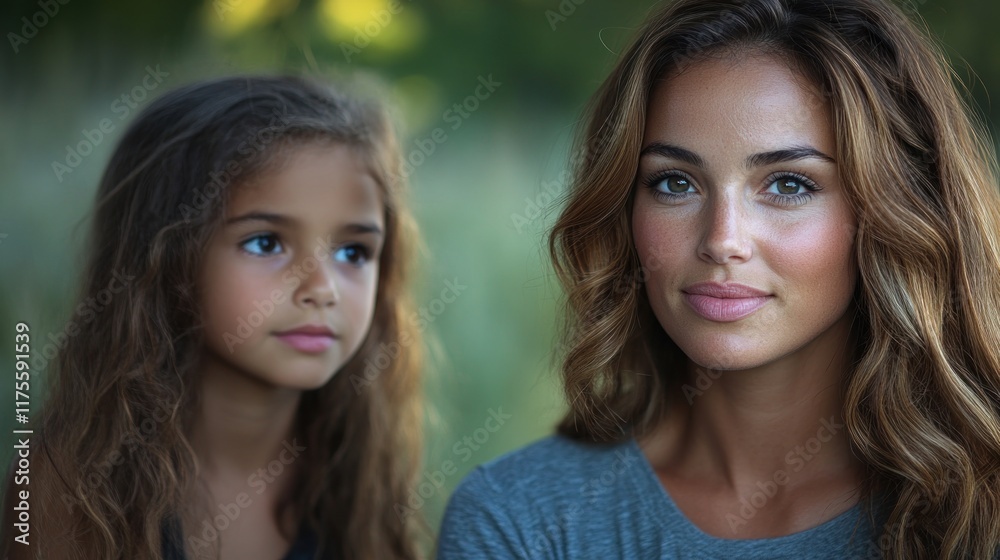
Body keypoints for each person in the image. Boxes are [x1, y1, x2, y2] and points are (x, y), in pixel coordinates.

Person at [437, 0, 1000, 558]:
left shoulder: (981, 507)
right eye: (675, 183)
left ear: (896, 211)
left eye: (788, 185)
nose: (721, 239)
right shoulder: (521, 520)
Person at [1, 75, 425, 559]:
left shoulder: (363, 479)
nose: (322, 289)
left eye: (353, 251)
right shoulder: (65, 489)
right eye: (265, 242)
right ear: (164, 257)